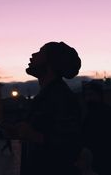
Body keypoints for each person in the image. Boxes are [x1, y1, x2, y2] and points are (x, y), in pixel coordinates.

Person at [12, 41, 82, 175]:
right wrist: (19, 132)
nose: (33, 55)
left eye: (40, 52)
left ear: (51, 63)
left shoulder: (61, 97)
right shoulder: (48, 94)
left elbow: (70, 144)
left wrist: (33, 135)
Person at [81, 81, 111, 175]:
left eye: (91, 94)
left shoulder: (107, 113)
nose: (88, 98)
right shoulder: (88, 116)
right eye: (86, 95)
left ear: (99, 95)